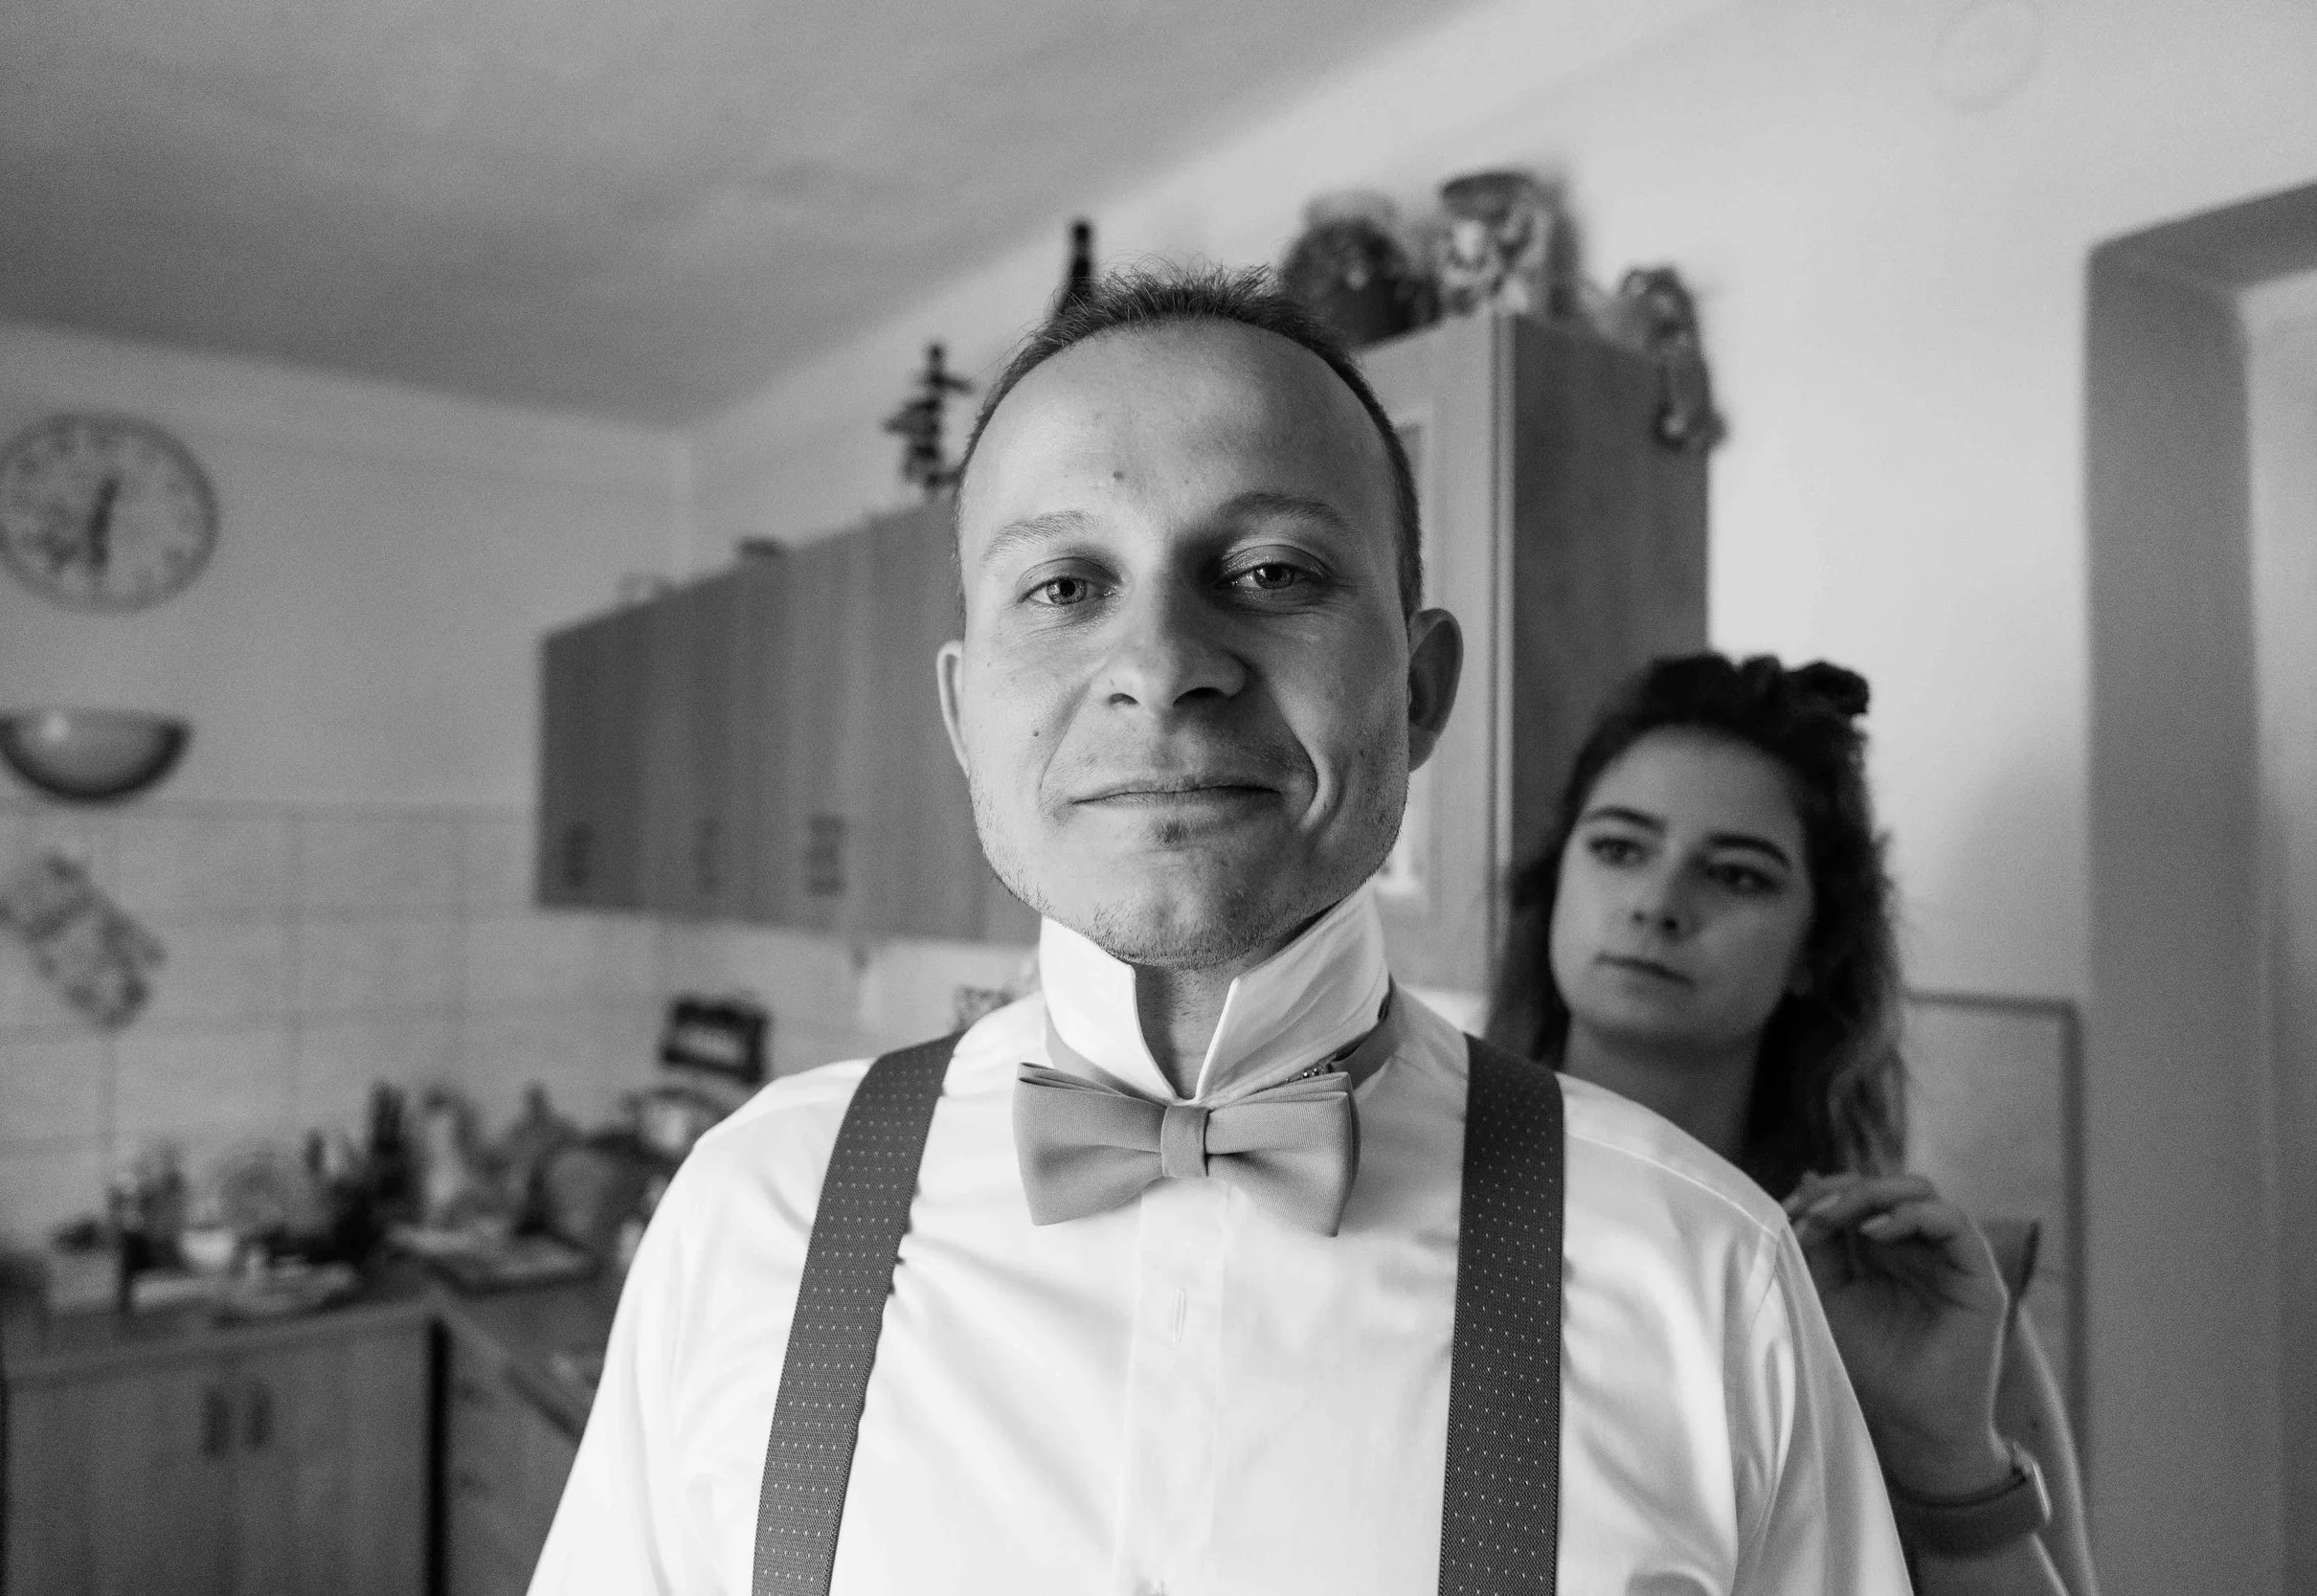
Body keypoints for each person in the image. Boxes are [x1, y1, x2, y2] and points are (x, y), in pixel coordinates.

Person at [530, 268, 1913, 1594]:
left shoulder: (1706, 1276)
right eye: (1064, 585)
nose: (1160, 665)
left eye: (1269, 570)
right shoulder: (750, 1210)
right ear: (962, 715)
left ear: (1419, 690)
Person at [1488, 652, 2099, 1596]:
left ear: (1816, 949)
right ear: (1552, 880)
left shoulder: (1911, 1297)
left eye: (1736, 875)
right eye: (1618, 848)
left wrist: (1943, 1453)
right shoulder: (1409, 1191)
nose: (1658, 903)